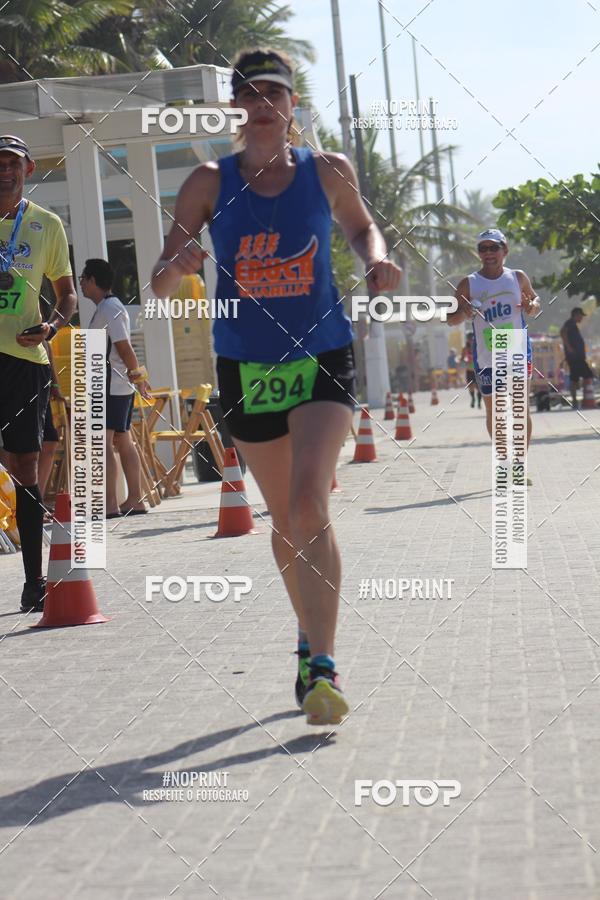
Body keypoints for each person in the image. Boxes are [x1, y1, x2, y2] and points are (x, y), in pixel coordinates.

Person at [151, 48, 401, 725]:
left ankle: (323, 664)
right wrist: (178, 260)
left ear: (292, 107)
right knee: (285, 520)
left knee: (310, 505)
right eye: (251, 94)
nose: (263, 105)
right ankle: (305, 631)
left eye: (275, 94)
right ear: (235, 105)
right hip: (245, 365)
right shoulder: (208, 181)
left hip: (321, 353)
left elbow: (360, 227)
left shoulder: (326, 171)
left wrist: (376, 262)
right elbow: (161, 280)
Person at [0, 134, 77, 611]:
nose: (4, 171)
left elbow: (67, 295)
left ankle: (33, 581)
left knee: (25, 467)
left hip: (25, 361)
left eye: (12, 163)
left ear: (28, 169)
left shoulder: (46, 225)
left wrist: (50, 326)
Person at [448, 229, 540, 484]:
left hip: (517, 351)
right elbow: (449, 319)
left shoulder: (517, 277)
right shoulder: (469, 284)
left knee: (521, 409)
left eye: (493, 247)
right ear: (479, 253)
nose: (488, 253)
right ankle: (504, 462)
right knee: (496, 412)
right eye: (483, 248)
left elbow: (535, 302)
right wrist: (463, 313)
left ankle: (519, 466)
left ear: (504, 250)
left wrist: (532, 306)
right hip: (487, 356)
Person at [81, 259, 150, 518]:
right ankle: (134, 498)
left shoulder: (110, 308)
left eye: (82, 278)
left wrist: (139, 376)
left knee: (104, 443)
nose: (80, 284)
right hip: (116, 383)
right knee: (124, 440)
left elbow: (123, 347)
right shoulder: (109, 307)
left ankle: (110, 504)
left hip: (110, 383)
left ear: (92, 280)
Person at [560, 307, 593, 409]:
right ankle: (581, 401)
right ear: (576, 314)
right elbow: (562, 332)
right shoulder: (569, 323)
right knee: (585, 376)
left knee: (576, 378)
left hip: (577, 357)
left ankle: (581, 401)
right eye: (581, 316)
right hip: (575, 357)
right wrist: (569, 347)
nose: (582, 318)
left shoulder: (573, 325)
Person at [461, 332, 481, 408]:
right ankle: (473, 399)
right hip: (469, 370)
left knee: (479, 387)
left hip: (478, 369)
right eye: (469, 339)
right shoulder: (465, 348)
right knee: (471, 386)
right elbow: (462, 359)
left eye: (472, 338)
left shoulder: (478, 346)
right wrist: (465, 360)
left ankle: (479, 402)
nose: (471, 340)